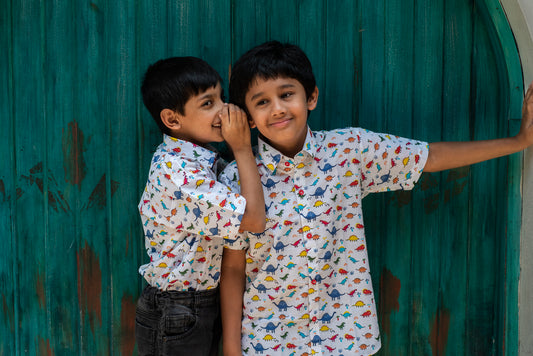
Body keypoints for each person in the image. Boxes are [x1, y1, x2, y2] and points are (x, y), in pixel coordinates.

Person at [219, 41, 533, 356]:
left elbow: (429, 156)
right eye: (261, 102)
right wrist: (232, 348)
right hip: (269, 340)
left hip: (345, 337)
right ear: (247, 117)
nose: (277, 108)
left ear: (310, 96)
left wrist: (518, 141)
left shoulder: (348, 150)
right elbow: (233, 267)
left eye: (287, 94)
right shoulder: (235, 178)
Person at [135, 56, 265, 356]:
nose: (224, 110)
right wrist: (243, 146)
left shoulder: (201, 160)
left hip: (196, 304)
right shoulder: (177, 174)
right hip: (178, 309)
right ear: (172, 120)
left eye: (222, 98)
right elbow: (254, 220)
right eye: (208, 104)